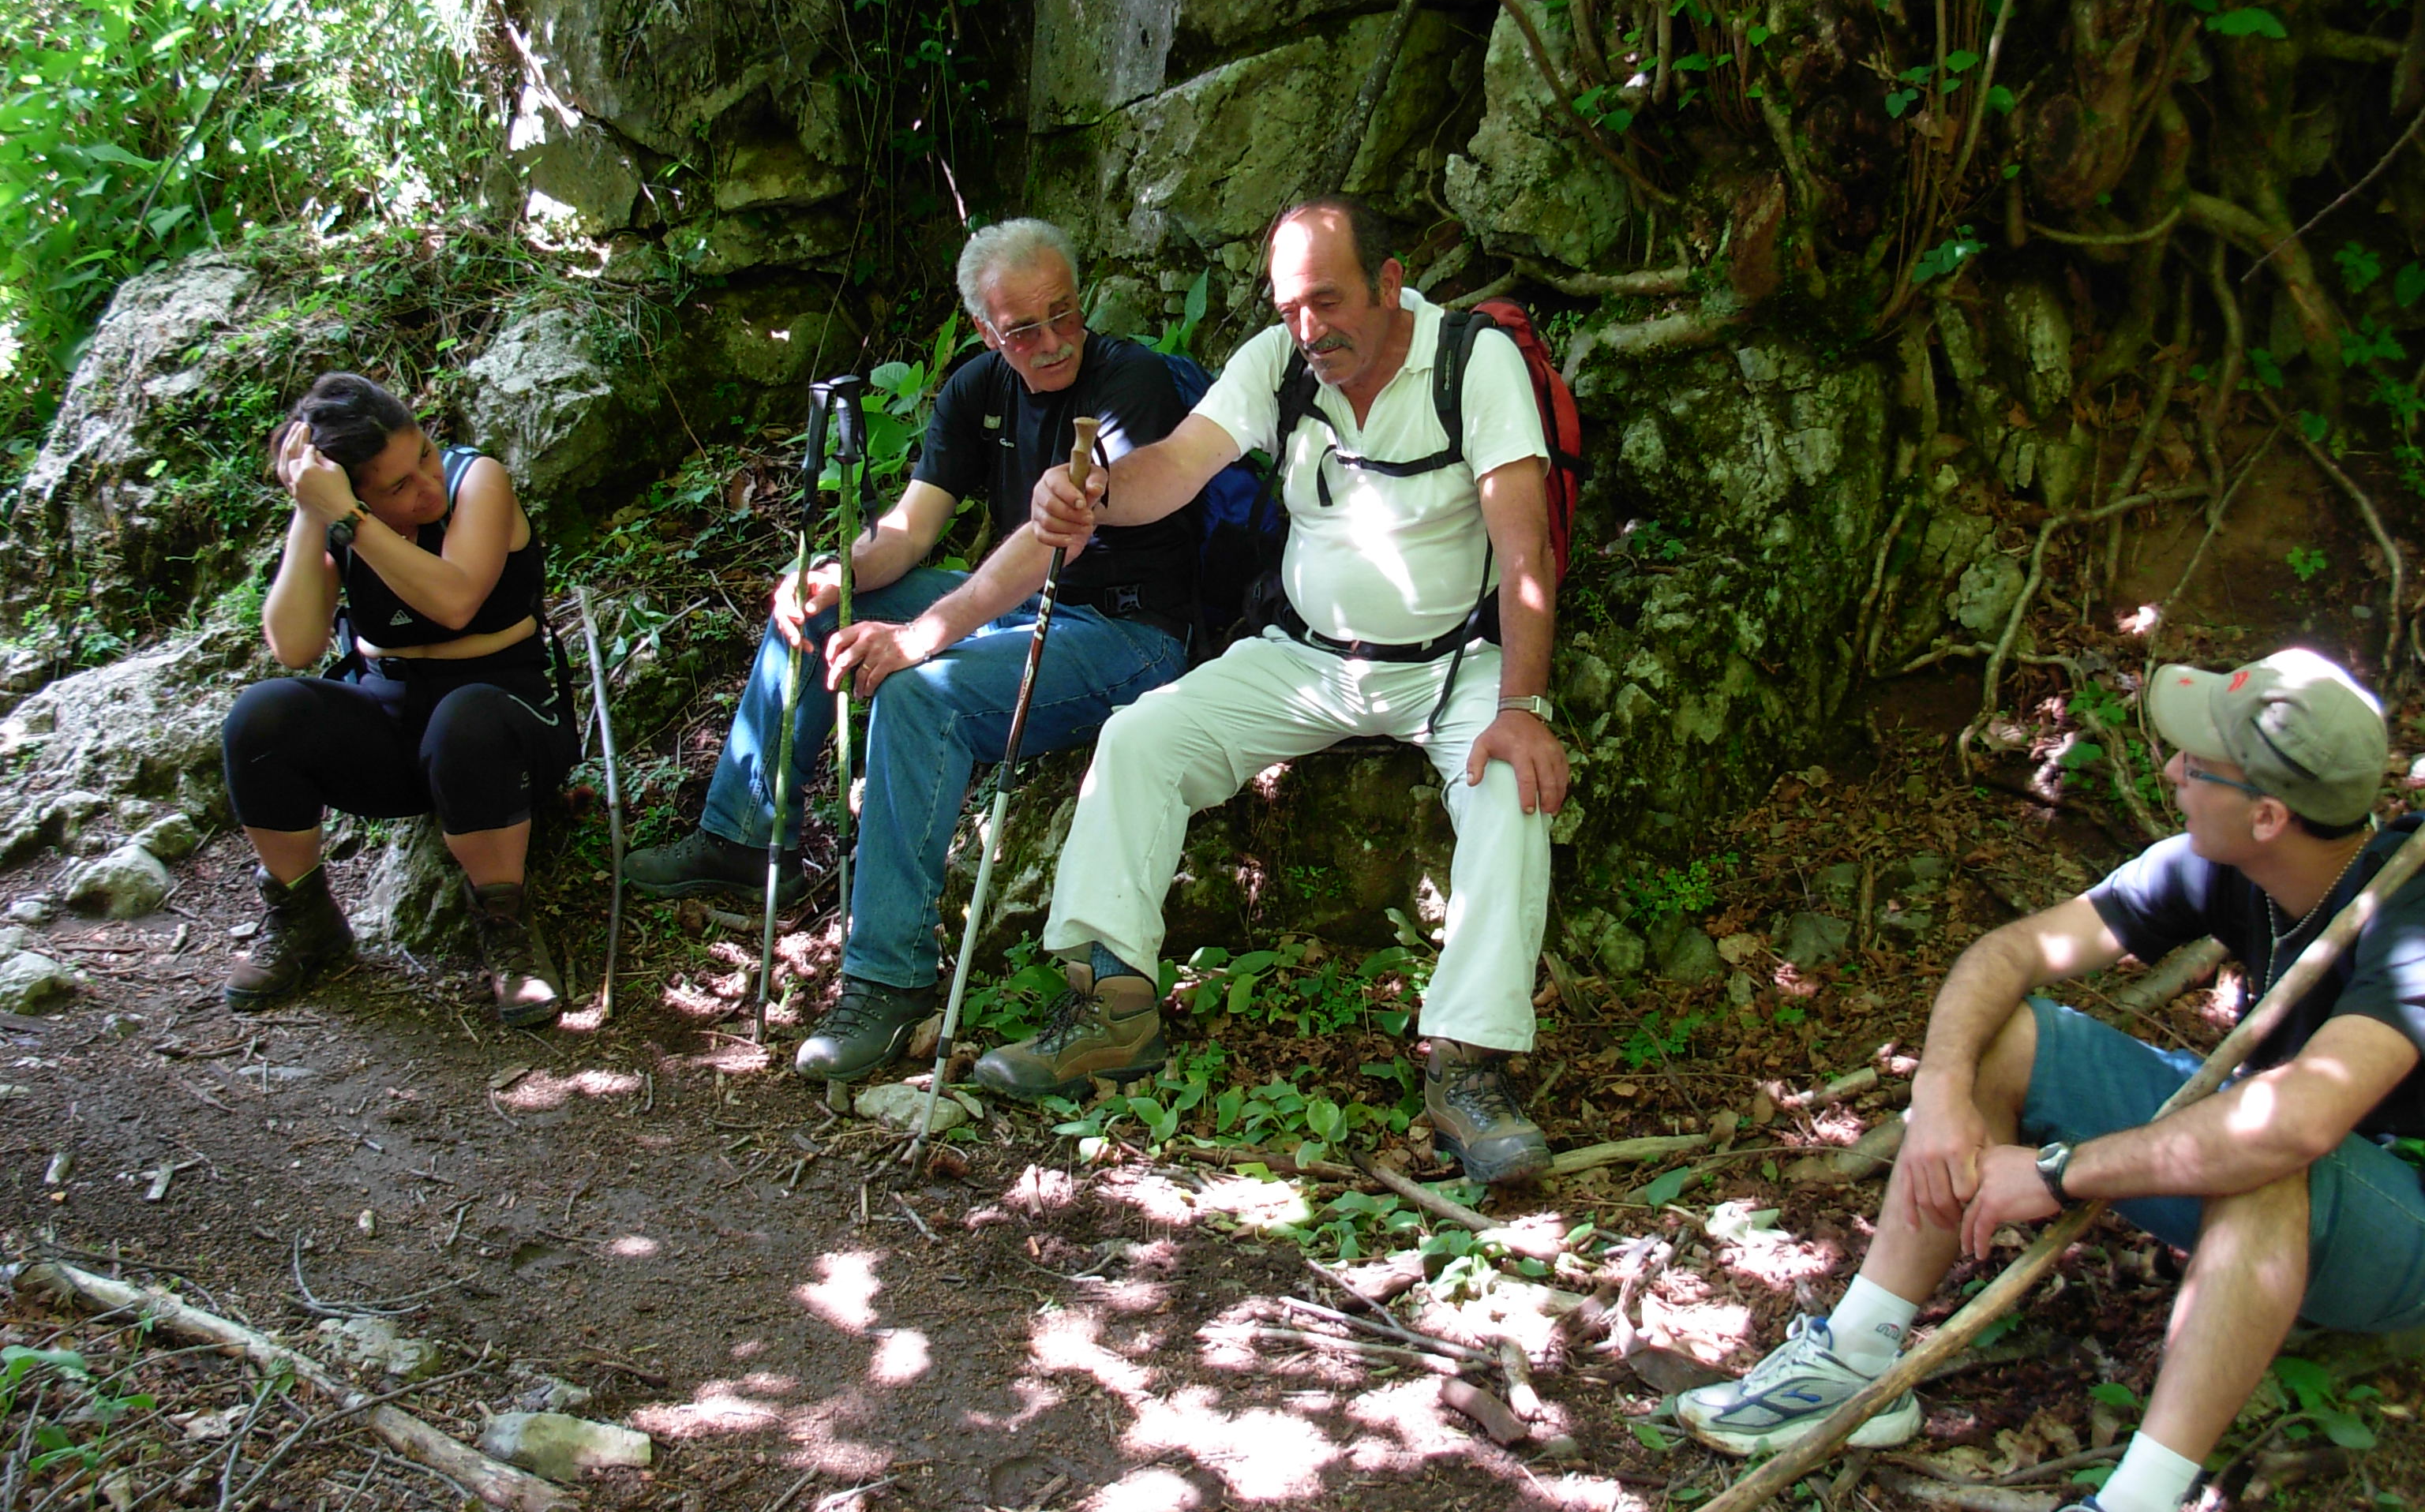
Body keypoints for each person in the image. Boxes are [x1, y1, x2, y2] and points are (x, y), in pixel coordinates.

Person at [1677, 648, 2425, 1512]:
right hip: (2284, 1188)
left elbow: (2297, 1124)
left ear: (2267, 816)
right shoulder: (2225, 866)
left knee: (2264, 1149)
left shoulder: (2409, 909)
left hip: (2396, 1226)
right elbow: (2011, 953)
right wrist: (1942, 1087)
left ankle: (2139, 1500)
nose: (2172, 772)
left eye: (2198, 764)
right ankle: (1855, 1356)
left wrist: (2059, 1173)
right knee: (2006, 1035)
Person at [984, 195, 1569, 1185]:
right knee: (1140, 739)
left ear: (1390, 284)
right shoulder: (1280, 361)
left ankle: (1470, 1068)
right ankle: (1111, 1008)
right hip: (1305, 658)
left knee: (1513, 788)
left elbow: (1525, 550)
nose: (1309, 329)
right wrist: (1094, 494)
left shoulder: (1472, 363)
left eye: (1327, 302)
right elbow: (1176, 467)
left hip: (1451, 666)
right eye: (1290, 307)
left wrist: (1521, 708)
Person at [625, 219, 1197, 1082]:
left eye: (1065, 313)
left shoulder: (1130, 382)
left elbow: (1053, 538)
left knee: (922, 695)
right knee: (824, 608)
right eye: (1024, 329)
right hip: (1022, 607)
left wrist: (926, 634)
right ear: (985, 331)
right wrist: (834, 573)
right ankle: (745, 839)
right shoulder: (976, 391)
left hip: (1128, 632)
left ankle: (889, 980)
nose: (1053, 342)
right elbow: (910, 530)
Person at [220, 372, 579, 1025]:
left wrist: (355, 519)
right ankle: (302, 915)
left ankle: (506, 927)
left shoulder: (478, 482)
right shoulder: (337, 520)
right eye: (397, 487)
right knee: (260, 717)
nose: (428, 487)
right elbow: (294, 645)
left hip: (506, 724)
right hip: (395, 729)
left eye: (425, 455)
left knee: (467, 720)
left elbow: (454, 600)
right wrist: (312, 512)